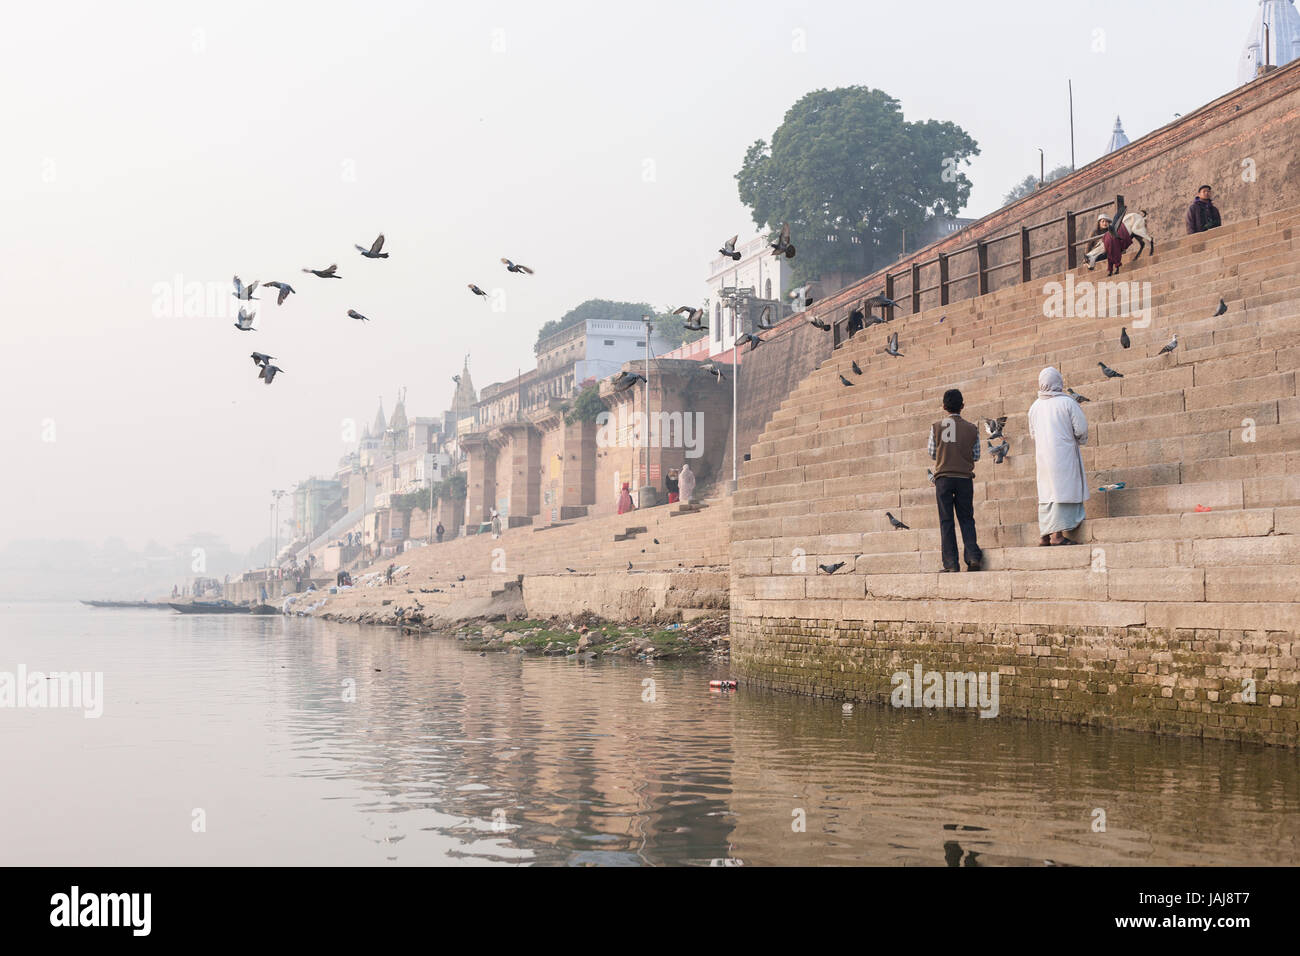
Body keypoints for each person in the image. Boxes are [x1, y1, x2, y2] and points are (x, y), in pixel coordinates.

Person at [1027, 366, 1090, 546]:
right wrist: (1078, 440)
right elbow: (1081, 429)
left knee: (1047, 492)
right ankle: (1057, 536)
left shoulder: (1034, 407)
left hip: (1043, 456)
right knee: (1062, 490)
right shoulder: (1068, 403)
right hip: (1064, 454)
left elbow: (1033, 434)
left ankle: (1044, 536)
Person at [927, 388, 983, 572]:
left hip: (943, 478)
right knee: (967, 518)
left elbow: (932, 453)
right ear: (963, 406)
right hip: (964, 478)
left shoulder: (936, 426)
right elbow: (976, 455)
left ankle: (951, 563)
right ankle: (973, 556)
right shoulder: (972, 428)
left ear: (944, 406)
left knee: (946, 521)